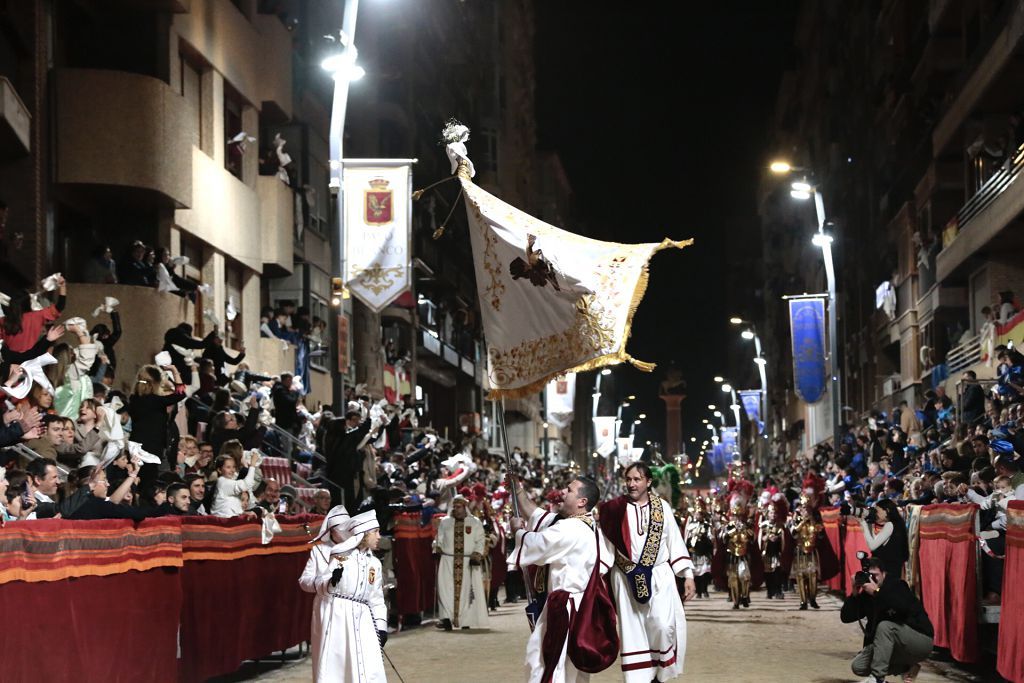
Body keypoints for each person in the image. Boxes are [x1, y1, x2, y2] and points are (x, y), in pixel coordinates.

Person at [507, 474, 613, 683]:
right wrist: (518, 490)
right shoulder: (586, 525)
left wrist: (518, 531)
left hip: (565, 608)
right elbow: (537, 516)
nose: (563, 492)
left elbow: (538, 544)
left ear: (582, 502)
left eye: (569, 490)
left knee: (546, 662)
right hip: (581, 606)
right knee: (570, 668)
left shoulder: (570, 528)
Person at [598, 462, 695, 680]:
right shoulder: (614, 509)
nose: (631, 484)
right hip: (625, 579)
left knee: (662, 626)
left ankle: (659, 675)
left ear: (648, 482)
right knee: (633, 633)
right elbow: (606, 548)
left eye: (637, 479)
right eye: (628, 479)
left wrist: (687, 575)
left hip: (660, 576)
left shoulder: (662, 507)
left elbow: (675, 543)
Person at [299, 507, 388, 683]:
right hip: (337, 615)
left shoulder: (375, 563)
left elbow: (376, 598)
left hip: (364, 620)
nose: (379, 536)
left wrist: (381, 626)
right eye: (376, 532)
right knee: (338, 665)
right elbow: (320, 585)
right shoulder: (339, 556)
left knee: (368, 664)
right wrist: (330, 581)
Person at [841, 557, 933, 683]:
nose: (872, 579)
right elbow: (846, 617)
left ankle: (878, 678)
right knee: (859, 666)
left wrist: (877, 592)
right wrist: (854, 593)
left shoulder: (897, 585)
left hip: (920, 640)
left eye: (875, 575)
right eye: (869, 576)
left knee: (885, 626)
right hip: (897, 644)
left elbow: (901, 608)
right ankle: (906, 667)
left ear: (884, 574)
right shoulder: (867, 595)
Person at [434, 494, 488, 630]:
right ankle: (446, 618)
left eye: (459, 507)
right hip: (447, 561)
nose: (457, 509)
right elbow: (438, 538)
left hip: (466, 562)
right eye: (455, 506)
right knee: (445, 590)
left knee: (466, 592)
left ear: (464, 507)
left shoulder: (474, 522)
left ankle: (465, 620)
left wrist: (477, 554)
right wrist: (437, 546)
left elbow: (481, 540)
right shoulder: (445, 522)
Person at [858, 498, 909, 578]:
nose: (875, 514)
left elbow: (872, 546)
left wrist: (863, 523)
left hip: (886, 572)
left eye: (877, 511)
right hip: (894, 570)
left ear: (887, 511)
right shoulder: (898, 524)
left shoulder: (890, 525)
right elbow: (878, 542)